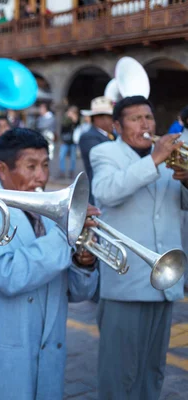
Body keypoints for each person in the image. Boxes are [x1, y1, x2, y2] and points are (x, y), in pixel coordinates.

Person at [0, 128, 99, 399]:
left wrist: (84, 262)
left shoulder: (52, 214)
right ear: (2, 170)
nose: (42, 177)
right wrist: (65, 236)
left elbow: (75, 292)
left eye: (45, 165)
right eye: (31, 166)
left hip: (49, 356)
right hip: (4, 356)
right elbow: (7, 276)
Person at [90, 96, 188, 400]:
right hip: (127, 280)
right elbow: (107, 191)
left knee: (153, 369)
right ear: (118, 126)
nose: (145, 124)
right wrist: (155, 159)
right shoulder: (104, 152)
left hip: (166, 280)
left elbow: (181, 206)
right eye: (135, 119)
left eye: (148, 117)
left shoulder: (173, 156)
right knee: (119, 373)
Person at [78, 96, 115, 205]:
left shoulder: (113, 135)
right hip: (98, 191)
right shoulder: (88, 137)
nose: (114, 121)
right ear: (98, 118)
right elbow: (107, 157)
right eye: (111, 117)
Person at [59, 105, 79, 179]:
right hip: (65, 140)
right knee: (61, 156)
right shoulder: (65, 118)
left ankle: (71, 172)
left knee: (73, 158)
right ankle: (62, 171)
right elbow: (63, 127)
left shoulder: (77, 119)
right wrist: (68, 118)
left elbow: (78, 127)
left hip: (73, 141)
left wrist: (74, 120)